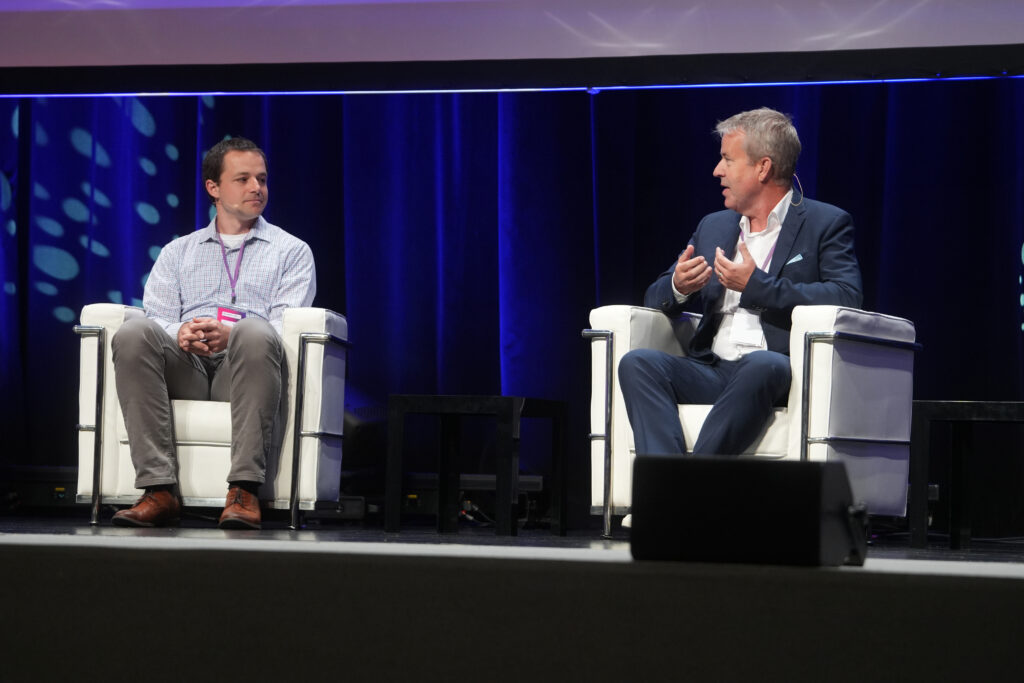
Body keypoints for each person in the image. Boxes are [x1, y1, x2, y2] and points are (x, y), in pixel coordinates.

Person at [618, 107, 862, 463]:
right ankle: (668, 487)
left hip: (773, 367)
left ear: (763, 167)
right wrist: (678, 286)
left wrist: (757, 286)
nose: (717, 171)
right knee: (637, 363)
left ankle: (677, 492)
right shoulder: (714, 226)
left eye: (727, 160)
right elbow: (654, 296)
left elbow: (846, 297)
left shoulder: (825, 223)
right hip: (713, 367)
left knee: (762, 364)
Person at [110, 136, 316, 529]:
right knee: (134, 332)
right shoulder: (178, 252)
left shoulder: (291, 251)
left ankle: (243, 491)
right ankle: (158, 490)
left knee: (254, 330)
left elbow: (284, 325)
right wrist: (181, 332)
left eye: (262, 178)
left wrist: (232, 332)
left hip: (243, 370)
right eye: (243, 179)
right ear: (214, 188)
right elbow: (158, 315)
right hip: (186, 367)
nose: (257, 188)